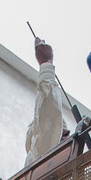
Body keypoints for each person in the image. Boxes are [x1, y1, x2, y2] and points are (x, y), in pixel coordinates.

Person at [25, 37, 67, 166]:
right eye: (62, 132)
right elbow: (48, 116)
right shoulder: (40, 158)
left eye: (65, 133)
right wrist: (46, 64)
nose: (67, 137)